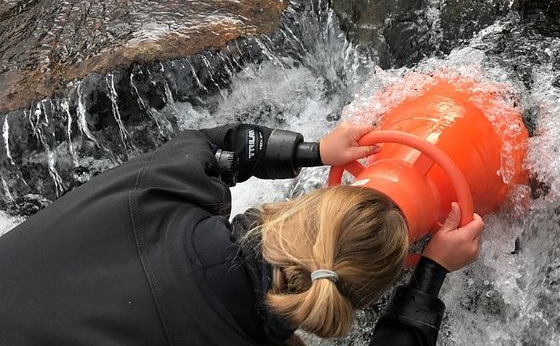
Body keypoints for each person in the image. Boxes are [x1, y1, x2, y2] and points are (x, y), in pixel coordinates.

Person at [0, 122, 485, 345]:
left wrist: (312, 151)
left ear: (296, 211)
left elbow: (212, 143)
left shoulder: (164, 188)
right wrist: (431, 275)